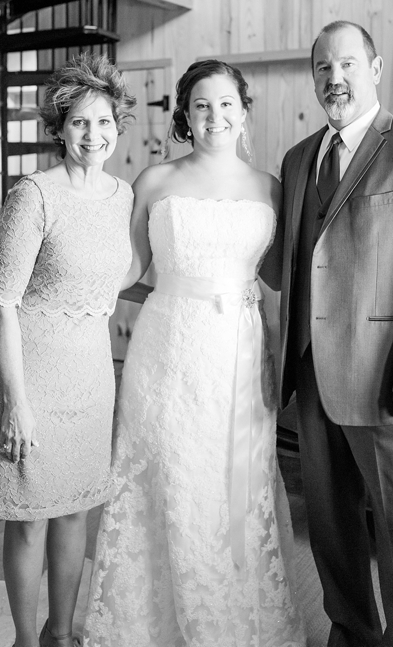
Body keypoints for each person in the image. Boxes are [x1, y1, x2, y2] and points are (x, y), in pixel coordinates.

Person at [83, 60, 303, 646]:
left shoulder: (270, 189)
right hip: (168, 348)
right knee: (167, 474)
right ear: (185, 113)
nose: (214, 116)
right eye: (201, 105)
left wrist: (279, 366)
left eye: (225, 103)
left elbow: (282, 287)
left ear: (243, 111)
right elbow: (126, 270)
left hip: (240, 347)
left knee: (233, 483)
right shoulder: (154, 182)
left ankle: (232, 618)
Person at [260, 20, 393, 646]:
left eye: (347, 64)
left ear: (375, 69)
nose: (334, 78)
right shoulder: (297, 160)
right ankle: (350, 634)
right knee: (330, 526)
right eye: (323, 68)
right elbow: (290, 264)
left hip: (386, 382)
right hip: (311, 375)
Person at [0, 53, 135, 647]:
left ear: (119, 125)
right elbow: (2, 303)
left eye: (104, 123)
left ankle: (60, 634)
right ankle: (24, 639)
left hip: (90, 377)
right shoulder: (33, 195)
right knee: (31, 517)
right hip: (31, 377)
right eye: (79, 124)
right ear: (59, 129)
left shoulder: (122, 197)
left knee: (76, 510)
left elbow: (114, 276)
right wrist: (16, 402)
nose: (93, 135)